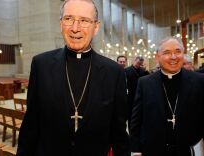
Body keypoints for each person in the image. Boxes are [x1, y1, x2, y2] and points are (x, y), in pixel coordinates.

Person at [16, 0, 129, 156]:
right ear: (61, 23)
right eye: (68, 19)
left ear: (96, 27)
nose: (75, 29)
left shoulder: (114, 71)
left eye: (84, 21)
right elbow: (31, 124)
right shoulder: (41, 64)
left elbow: (119, 132)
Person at [130, 37, 204, 156]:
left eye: (178, 51)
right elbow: (136, 120)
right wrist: (136, 150)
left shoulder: (199, 81)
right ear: (157, 57)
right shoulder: (145, 83)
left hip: (189, 150)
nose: (173, 57)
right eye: (167, 53)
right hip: (153, 149)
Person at [125, 56, 148, 130]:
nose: (138, 65)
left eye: (140, 64)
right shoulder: (127, 70)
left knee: (139, 116)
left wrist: (146, 71)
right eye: (138, 63)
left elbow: (148, 80)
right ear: (134, 61)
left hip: (140, 96)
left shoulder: (142, 70)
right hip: (130, 96)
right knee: (130, 116)